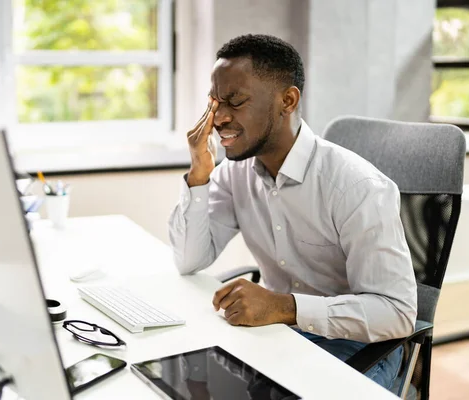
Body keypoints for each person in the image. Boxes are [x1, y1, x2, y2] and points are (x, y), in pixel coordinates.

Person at [168, 34, 417, 392]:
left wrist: (284, 307)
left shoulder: (357, 187)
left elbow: (396, 313)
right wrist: (198, 173)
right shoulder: (233, 174)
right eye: (214, 102)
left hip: (359, 347)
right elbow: (188, 260)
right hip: (279, 336)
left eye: (235, 101)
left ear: (287, 100)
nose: (219, 117)